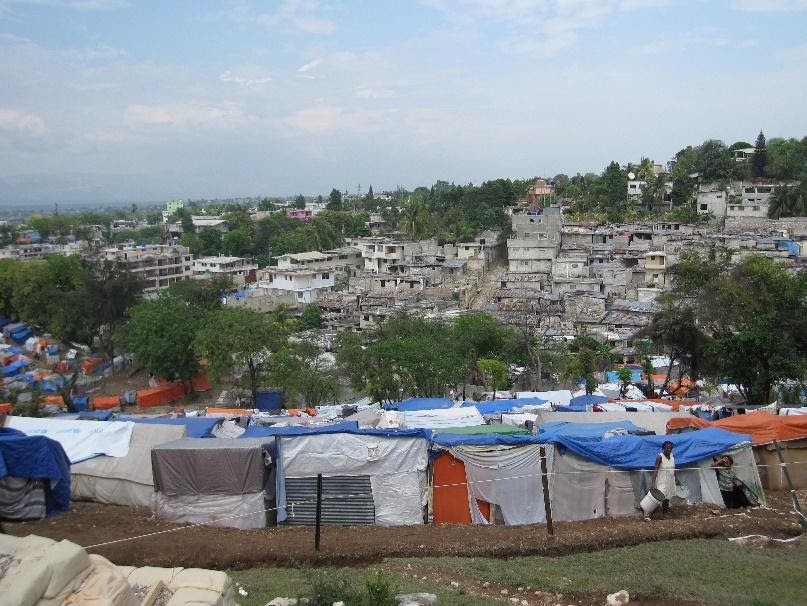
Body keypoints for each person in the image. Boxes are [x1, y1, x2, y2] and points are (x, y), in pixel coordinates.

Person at [648, 440, 676, 520]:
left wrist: (676, 479)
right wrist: (653, 483)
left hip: (670, 481)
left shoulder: (673, 456)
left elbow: (673, 469)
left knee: (667, 499)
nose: (669, 450)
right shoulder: (660, 457)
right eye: (667, 448)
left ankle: (664, 514)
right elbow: (656, 470)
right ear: (663, 448)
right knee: (658, 499)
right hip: (662, 481)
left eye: (670, 448)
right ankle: (649, 514)